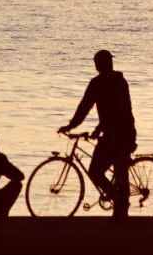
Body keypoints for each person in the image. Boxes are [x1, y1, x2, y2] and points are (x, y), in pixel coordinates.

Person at [57, 50, 137, 218]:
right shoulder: (120, 81)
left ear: (97, 65)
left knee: (98, 171)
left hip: (116, 134)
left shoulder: (98, 83)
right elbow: (120, 110)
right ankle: (121, 207)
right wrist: (99, 128)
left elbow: (85, 108)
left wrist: (71, 126)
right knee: (119, 170)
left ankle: (119, 202)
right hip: (125, 131)